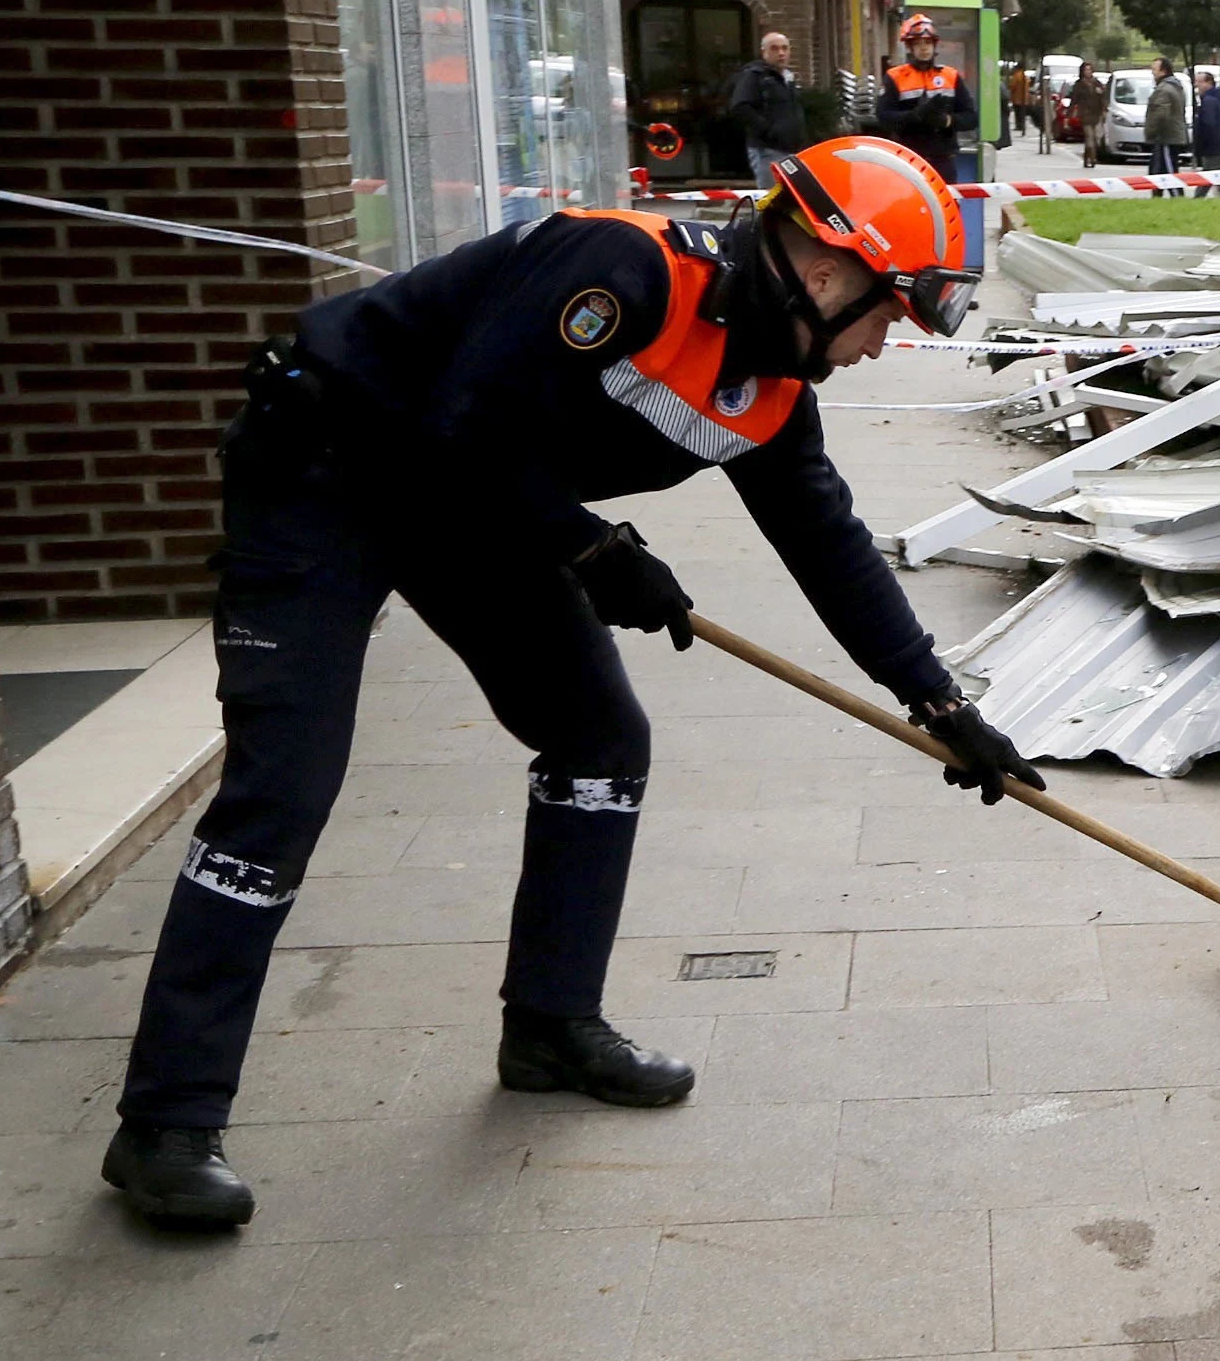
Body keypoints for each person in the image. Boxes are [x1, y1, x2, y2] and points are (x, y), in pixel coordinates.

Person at [96, 138, 1042, 1231]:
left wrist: (944, 708)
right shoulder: (624, 271)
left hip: (473, 503)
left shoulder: (774, 388)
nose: (888, 342)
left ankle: (549, 1026)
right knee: (285, 788)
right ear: (827, 271)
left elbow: (827, 546)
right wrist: (588, 549)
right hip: (330, 473)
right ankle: (165, 1123)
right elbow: (462, 424)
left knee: (599, 740)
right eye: (890, 312)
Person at [873, 16, 965, 181]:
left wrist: (947, 121)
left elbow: (971, 117)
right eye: (918, 43)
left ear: (934, 45)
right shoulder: (895, 77)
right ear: (910, 47)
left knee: (947, 204)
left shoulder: (951, 76)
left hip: (943, 159)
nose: (924, 48)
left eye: (928, 43)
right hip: (908, 159)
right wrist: (914, 116)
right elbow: (883, 116)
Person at [722, 31, 806, 186]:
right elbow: (740, 107)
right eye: (774, 48)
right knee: (771, 200)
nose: (781, 53)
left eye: (784, 48)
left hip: (791, 149)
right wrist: (768, 129)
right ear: (764, 52)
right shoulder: (754, 76)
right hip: (767, 150)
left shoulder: (787, 78)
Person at [1141, 60, 1190, 176]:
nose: (1152, 73)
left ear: (1163, 71)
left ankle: (1176, 194)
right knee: (1158, 172)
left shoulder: (1163, 89)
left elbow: (1160, 115)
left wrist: (1151, 132)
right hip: (1169, 137)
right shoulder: (1175, 87)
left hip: (1166, 138)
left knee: (1168, 172)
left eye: (1154, 70)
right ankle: (1158, 193)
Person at [1189, 66, 1220, 192]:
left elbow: (1208, 125)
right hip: (1219, 146)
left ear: (1209, 83)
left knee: (1210, 177)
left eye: (1199, 82)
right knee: (1218, 177)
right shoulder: (1215, 99)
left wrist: (1201, 146)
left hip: (1214, 148)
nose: (1196, 85)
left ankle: (1197, 200)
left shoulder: (1209, 102)